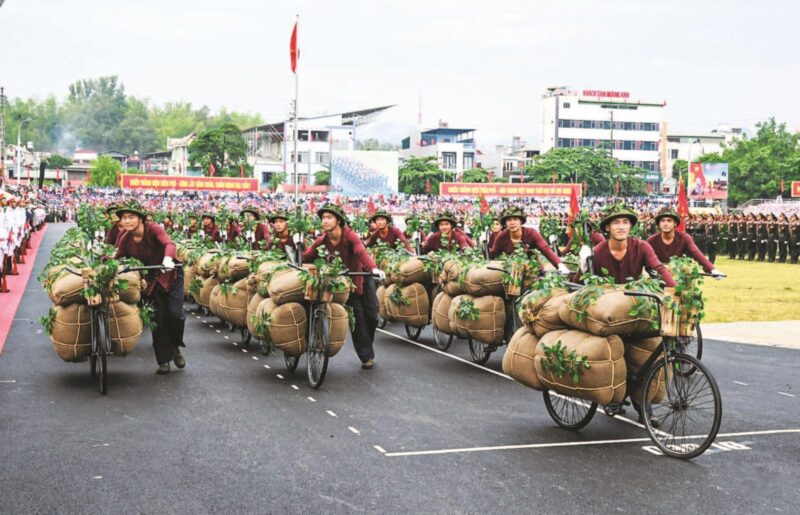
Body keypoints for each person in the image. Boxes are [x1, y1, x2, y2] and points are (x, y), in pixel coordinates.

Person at [303, 204, 383, 369]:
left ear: (338, 220)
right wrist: (297, 248)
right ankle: (366, 356)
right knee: (358, 319)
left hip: (361, 277)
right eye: (323, 218)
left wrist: (374, 268)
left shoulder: (349, 236)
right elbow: (307, 255)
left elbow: (361, 252)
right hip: (342, 284)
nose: (325, 221)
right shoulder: (322, 240)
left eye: (329, 217)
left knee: (372, 316)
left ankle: (367, 342)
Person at [114, 200, 186, 375]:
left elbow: (169, 244)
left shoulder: (153, 229)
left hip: (171, 275)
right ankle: (163, 361)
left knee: (175, 314)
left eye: (131, 217)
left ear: (141, 219)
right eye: (124, 218)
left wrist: (168, 260)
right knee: (157, 320)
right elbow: (116, 257)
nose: (127, 221)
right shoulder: (125, 238)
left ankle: (175, 347)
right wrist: (107, 263)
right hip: (151, 281)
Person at [589, 204, 676, 287]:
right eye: (616, 223)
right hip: (606, 299)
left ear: (630, 226)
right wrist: (584, 265)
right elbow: (578, 285)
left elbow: (659, 271)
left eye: (625, 222)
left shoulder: (641, 247)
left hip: (634, 298)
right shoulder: (597, 252)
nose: (621, 227)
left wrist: (673, 290)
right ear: (608, 227)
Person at [488, 207, 571, 274]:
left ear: (521, 221)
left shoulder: (531, 233)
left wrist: (560, 265)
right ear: (505, 223)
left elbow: (545, 249)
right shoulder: (502, 237)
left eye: (515, 219)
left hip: (534, 270)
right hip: (513, 272)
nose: (512, 223)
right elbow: (493, 254)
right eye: (509, 220)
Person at [646, 207, 723, 277]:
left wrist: (711, 269)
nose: (665, 224)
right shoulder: (651, 240)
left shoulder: (684, 238)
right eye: (662, 221)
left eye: (669, 221)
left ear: (675, 223)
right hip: (657, 276)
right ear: (658, 224)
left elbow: (696, 253)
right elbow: (643, 259)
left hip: (679, 276)